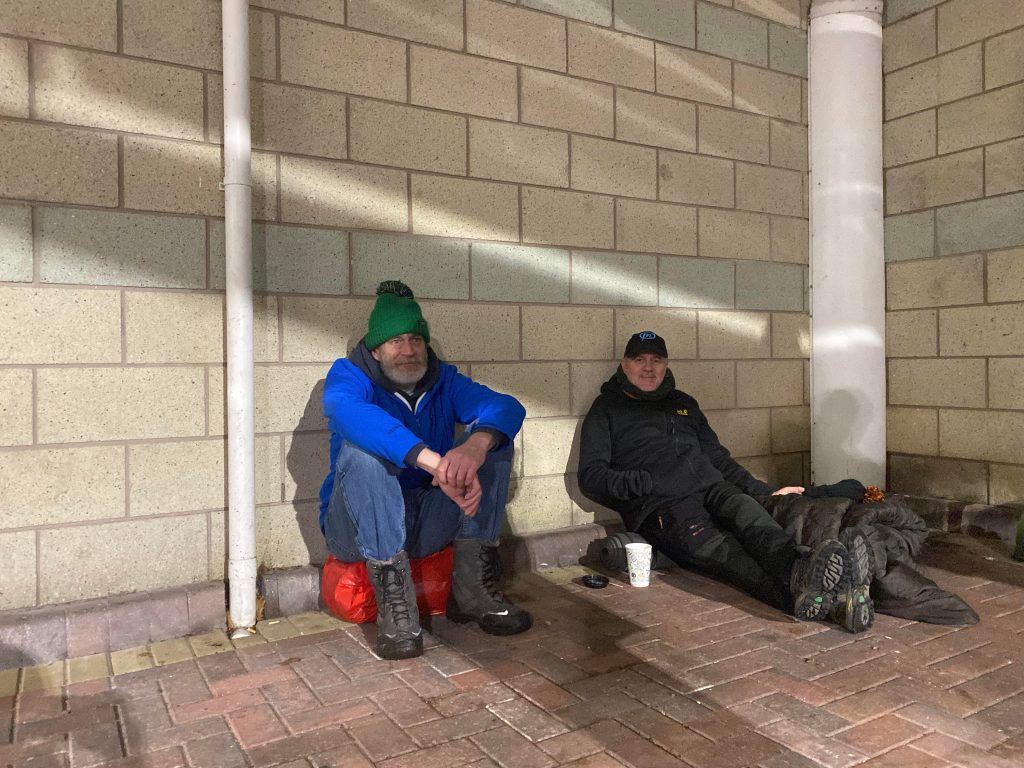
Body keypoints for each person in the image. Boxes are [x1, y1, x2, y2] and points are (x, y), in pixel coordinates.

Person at [578, 331, 875, 633]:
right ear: (624, 364)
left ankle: (802, 572)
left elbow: (718, 458)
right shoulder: (606, 409)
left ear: (666, 364)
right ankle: (837, 601)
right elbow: (591, 477)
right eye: (639, 359)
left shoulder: (684, 404)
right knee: (732, 556)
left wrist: (765, 491)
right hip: (666, 507)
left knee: (749, 514)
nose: (648, 367)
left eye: (656, 360)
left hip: (713, 488)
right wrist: (637, 483)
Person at [319, 280, 531, 659]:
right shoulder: (349, 375)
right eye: (396, 341)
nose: (408, 350)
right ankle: (397, 613)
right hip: (354, 529)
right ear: (376, 348)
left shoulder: (443, 379)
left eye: (415, 339)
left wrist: (474, 446)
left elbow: (506, 406)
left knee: (493, 440)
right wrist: (432, 461)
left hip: (424, 517)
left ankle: (471, 592)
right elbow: (347, 412)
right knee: (364, 453)